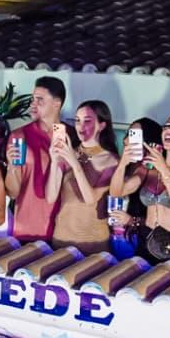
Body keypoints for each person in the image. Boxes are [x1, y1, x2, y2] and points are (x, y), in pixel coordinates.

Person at [109, 112, 170, 265]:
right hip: (145, 240)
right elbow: (117, 192)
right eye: (167, 126)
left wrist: (164, 170)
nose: (169, 130)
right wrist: (123, 163)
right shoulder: (148, 167)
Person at [47, 100, 120, 254]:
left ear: (102, 125)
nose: (81, 126)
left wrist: (75, 164)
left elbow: (90, 199)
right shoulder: (68, 153)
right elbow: (51, 197)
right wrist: (54, 161)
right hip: (62, 237)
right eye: (77, 120)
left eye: (87, 121)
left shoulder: (111, 160)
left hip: (93, 240)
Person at [5, 77, 68, 242]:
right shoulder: (19, 137)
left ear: (57, 103)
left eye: (40, 99)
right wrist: (12, 167)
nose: (33, 104)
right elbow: (13, 193)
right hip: (29, 226)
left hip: (64, 229)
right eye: (33, 99)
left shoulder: (72, 137)